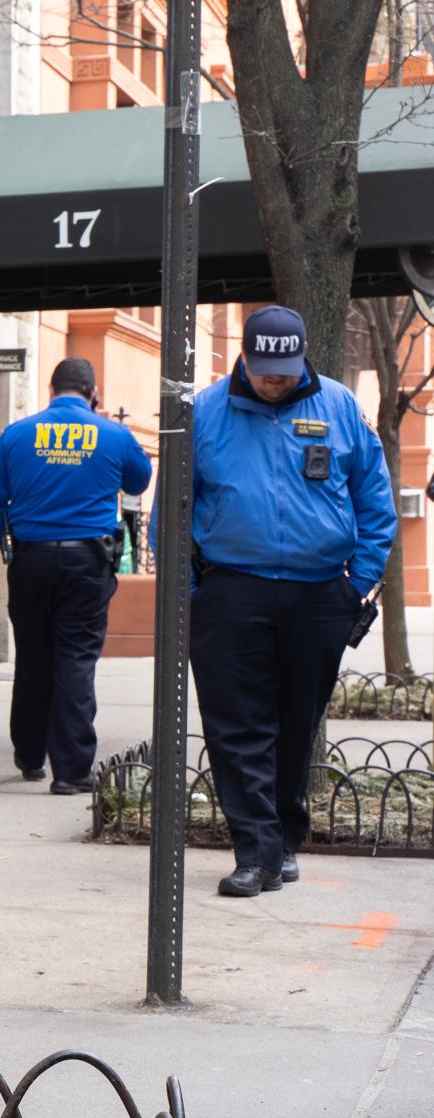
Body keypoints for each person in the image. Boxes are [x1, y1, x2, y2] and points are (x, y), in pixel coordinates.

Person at [184, 305, 395, 897]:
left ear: (302, 357)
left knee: (295, 722)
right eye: (263, 367)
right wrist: (193, 588)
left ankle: (282, 838)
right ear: (244, 356)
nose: (274, 379)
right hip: (231, 587)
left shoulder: (338, 406)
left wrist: (360, 583)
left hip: (320, 592)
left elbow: (374, 499)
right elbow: (174, 507)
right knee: (235, 725)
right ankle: (255, 852)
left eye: (286, 367)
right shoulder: (205, 412)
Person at [0, 357, 152, 795]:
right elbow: (139, 481)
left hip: (31, 560)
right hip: (86, 562)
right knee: (75, 659)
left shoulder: (16, 434)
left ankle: (30, 755)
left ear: (51, 390)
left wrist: (7, 545)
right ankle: (72, 771)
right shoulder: (112, 433)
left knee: (33, 655)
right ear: (94, 393)